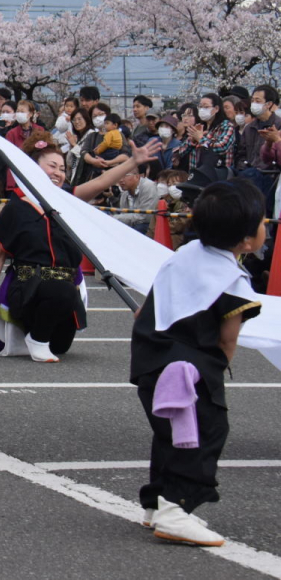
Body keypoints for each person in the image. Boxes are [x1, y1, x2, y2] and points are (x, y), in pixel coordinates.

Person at [130, 180, 266, 547]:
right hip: (190, 372)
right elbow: (227, 339)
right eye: (262, 221)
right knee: (205, 434)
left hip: (150, 359)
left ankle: (157, 503)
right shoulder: (233, 280)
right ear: (245, 240)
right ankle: (178, 507)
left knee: (169, 434)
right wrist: (216, 372)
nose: (266, 226)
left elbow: (149, 304)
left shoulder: (184, 253)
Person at [0, 131, 162, 362]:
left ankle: (39, 335)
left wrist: (133, 161)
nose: (58, 173)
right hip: (29, 288)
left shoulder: (66, 200)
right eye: (52, 166)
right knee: (59, 293)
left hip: (64, 289)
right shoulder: (16, 206)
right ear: (32, 168)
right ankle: (36, 339)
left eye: (62, 168)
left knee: (61, 346)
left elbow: (99, 183)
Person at [174, 93, 235, 183]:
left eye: (206, 107)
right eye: (200, 107)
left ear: (216, 109)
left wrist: (201, 139)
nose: (202, 110)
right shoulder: (200, 127)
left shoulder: (226, 126)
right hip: (197, 175)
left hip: (218, 176)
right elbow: (182, 151)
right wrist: (192, 141)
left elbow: (222, 147)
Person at [113, 165, 161, 235]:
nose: (121, 180)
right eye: (119, 176)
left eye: (125, 176)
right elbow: (124, 215)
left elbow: (145, 217)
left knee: (139, 227)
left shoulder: (149, 186)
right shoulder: (124, 193)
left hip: (148, 226)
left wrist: (115, 217)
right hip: (132, 224)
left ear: (137, 176)